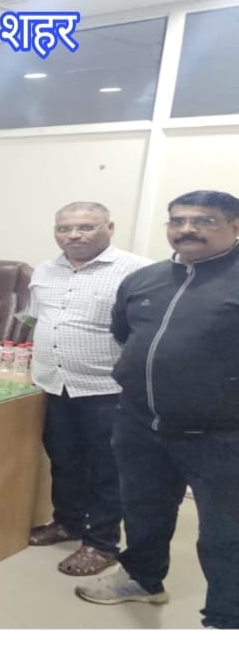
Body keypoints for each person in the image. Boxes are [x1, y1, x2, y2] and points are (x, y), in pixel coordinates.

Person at [75, 190, 239, 630]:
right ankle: (143, 579)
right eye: (178, 220)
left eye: (204, 220)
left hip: (222, 436)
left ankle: (226, 622)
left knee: (227, 534)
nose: (187, 229)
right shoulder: (144, 280)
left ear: (235, 227)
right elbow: (125, 334)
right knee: (143, 511)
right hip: (139, 424)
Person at [23, 202, 152, 576]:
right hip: (52, 384)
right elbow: (37, 318)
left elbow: (145, 333)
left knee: (107, 469)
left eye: (86, 227)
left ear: (109, 227)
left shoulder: (137, 271)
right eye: (64, 228)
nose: (74, 235)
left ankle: (102, 544)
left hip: (106, 389)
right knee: (63, 460)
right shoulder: (45, 270)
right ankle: (67, 522)